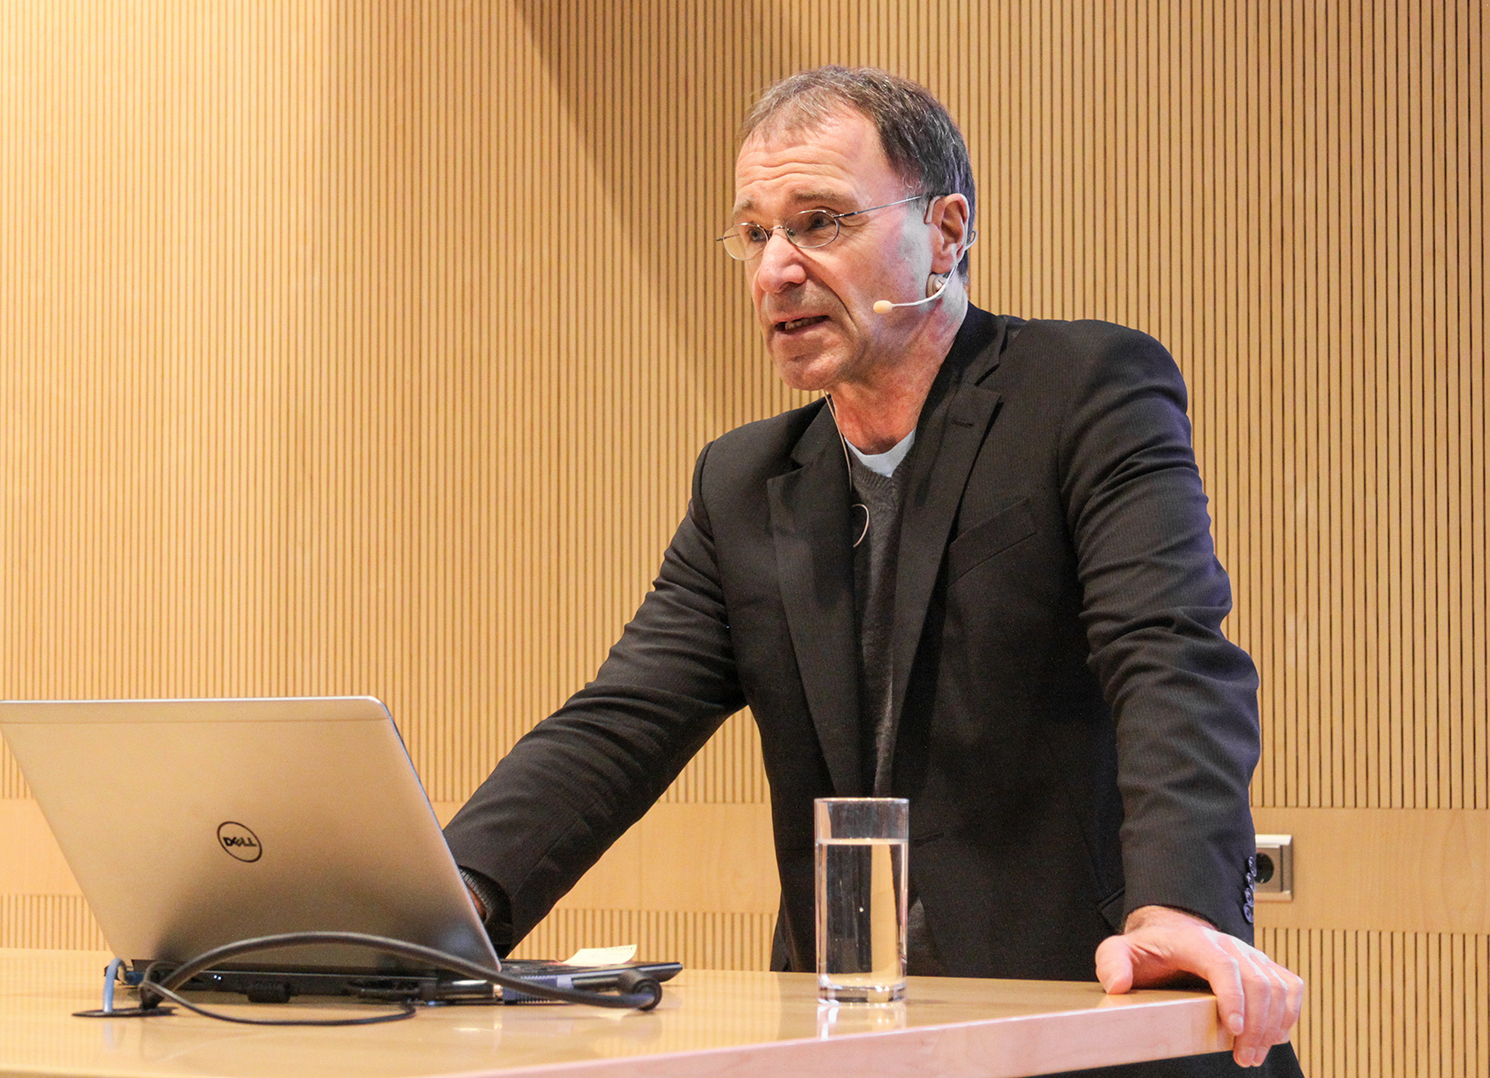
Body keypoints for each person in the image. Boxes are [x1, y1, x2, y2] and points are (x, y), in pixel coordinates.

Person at [444, 66, 1304, 1075]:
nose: (776, 270)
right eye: (755, 233)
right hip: (857, 1036)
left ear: (945, 231)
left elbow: (1170, 655)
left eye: (820, 222)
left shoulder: (1082, 394)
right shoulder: (745, 482)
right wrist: (444, 903)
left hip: (1089, 1015)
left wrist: (1180, 907)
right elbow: (618, 724)